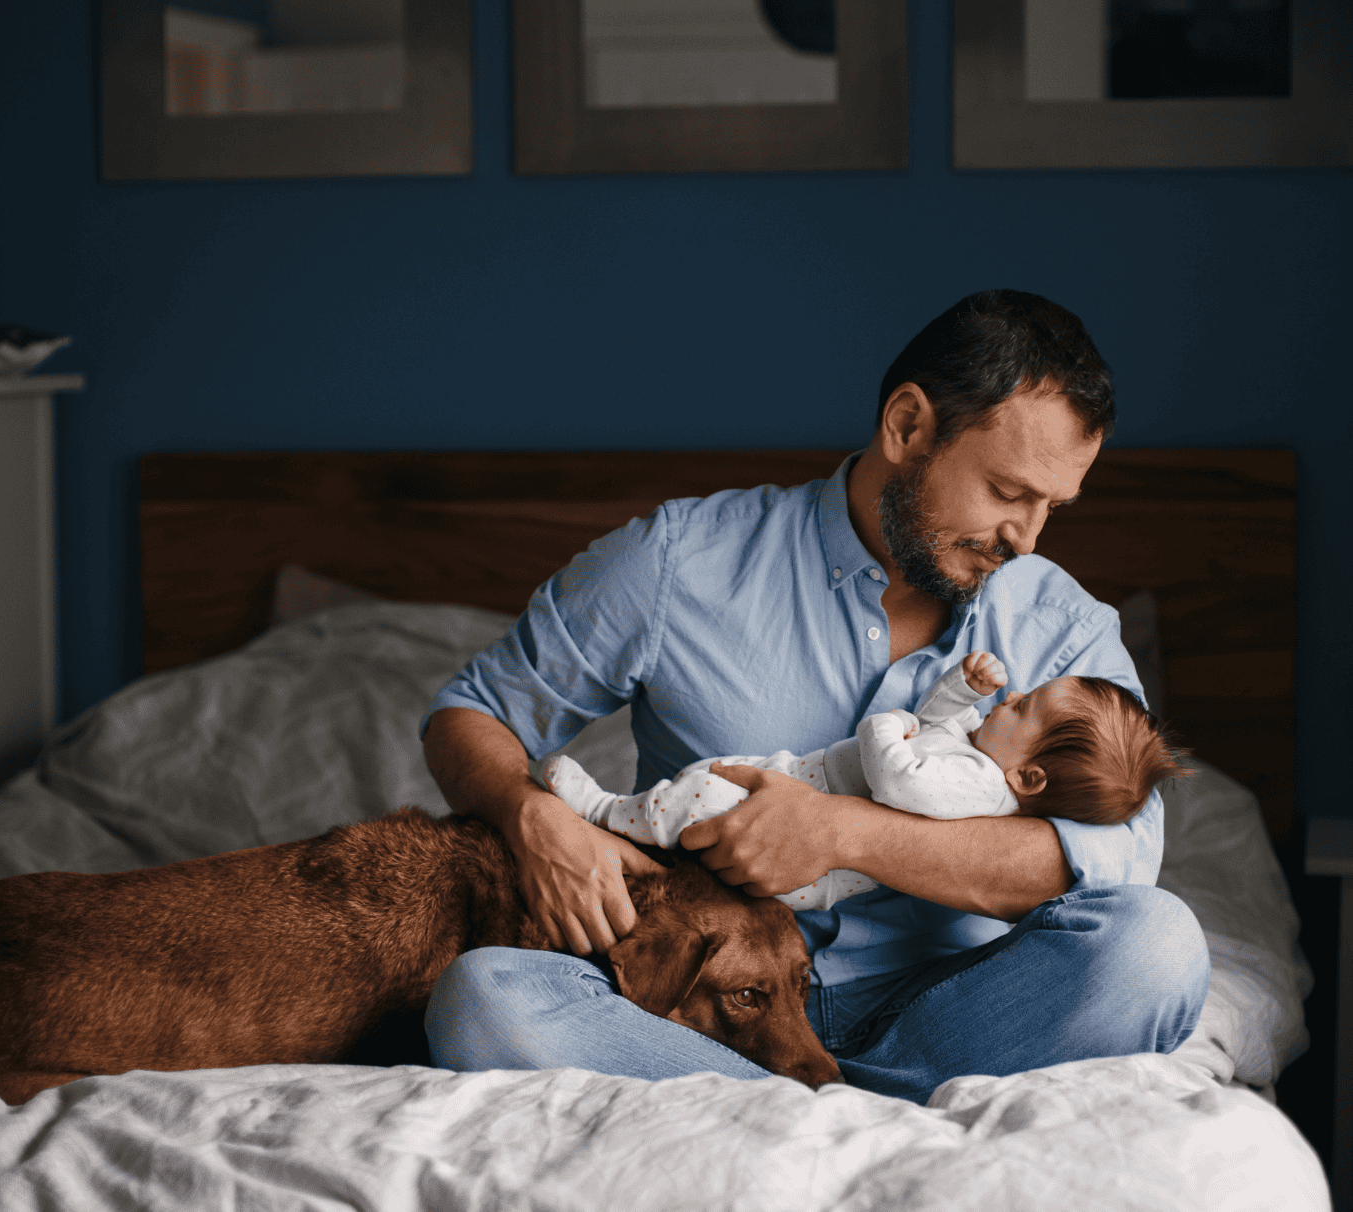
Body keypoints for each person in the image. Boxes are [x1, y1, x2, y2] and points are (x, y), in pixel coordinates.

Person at [420, 289, 1210, 1102]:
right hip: (698, 1007)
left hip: (953, 1008)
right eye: (1010, 493)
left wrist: (844, 833)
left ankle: (765, 1109)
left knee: (1157, 947)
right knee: (483, 1001)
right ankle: (858, 1116)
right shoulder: (675, 562)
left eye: (1053, 507)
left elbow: (1113, 865)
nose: (1028, 538)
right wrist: (532, 818)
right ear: (907, 427)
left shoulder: (1064, 627)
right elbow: (470, 712)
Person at [542, 651, 1189, 910]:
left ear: (1030, 774)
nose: (1011, 696)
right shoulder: (984, 761)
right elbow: (940, 728)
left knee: (702, 798)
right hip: (801, 787)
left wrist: (888, 723)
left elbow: (899, 778)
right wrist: (961, 690)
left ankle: (601, 813)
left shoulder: (977, 787)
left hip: (812, 848)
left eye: (1021, 708)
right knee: (705, 786)